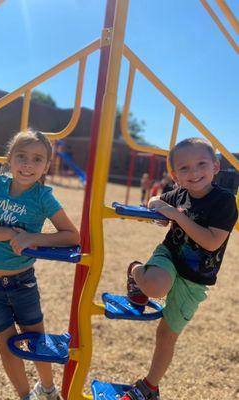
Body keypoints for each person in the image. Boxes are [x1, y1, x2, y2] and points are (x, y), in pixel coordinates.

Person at [122, 137, 238, 400]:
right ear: (174, 175)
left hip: (197, 277)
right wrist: (158, 209)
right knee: (156, 286)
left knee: (166, 334)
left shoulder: (224, 201)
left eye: (201, 164)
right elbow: (155, 199)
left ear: (216, 166)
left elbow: (210, 242)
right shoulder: (179, 194)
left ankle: (149, 387)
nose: (194, 172)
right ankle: (136, 272)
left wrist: (175, 215)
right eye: (184, 169)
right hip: (170, 256)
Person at [0, 129, 80, 400]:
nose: (28, 165)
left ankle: (48, 390)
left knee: (36, 342)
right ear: (9, 158)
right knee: (6, 347)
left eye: (37, 159)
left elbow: (71, 236)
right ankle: (25, 396)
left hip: (22, 282)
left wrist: (33, 237)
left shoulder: (43, 197)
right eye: (21, 156)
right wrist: (11, 233)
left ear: (46, 166)